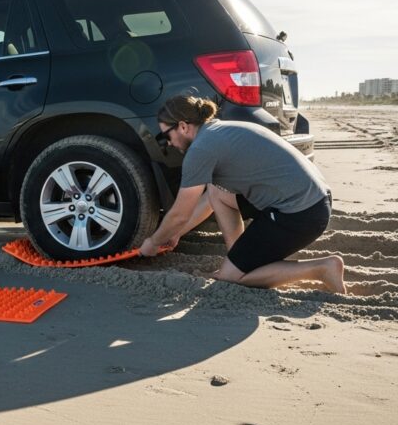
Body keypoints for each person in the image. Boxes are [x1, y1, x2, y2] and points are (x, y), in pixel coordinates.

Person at [139, 95, 346, 293]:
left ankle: (321, 268)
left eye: (166, 136)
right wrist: (175, 233)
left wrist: (153, 242)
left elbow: (180, 214)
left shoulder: (200, 150)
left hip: (301, 214)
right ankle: (238, 259)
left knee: (231, 279)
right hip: (315, 200)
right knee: (216, 190)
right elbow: (210, 200)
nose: (168, 143)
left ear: (183, 126)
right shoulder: (220, 131)